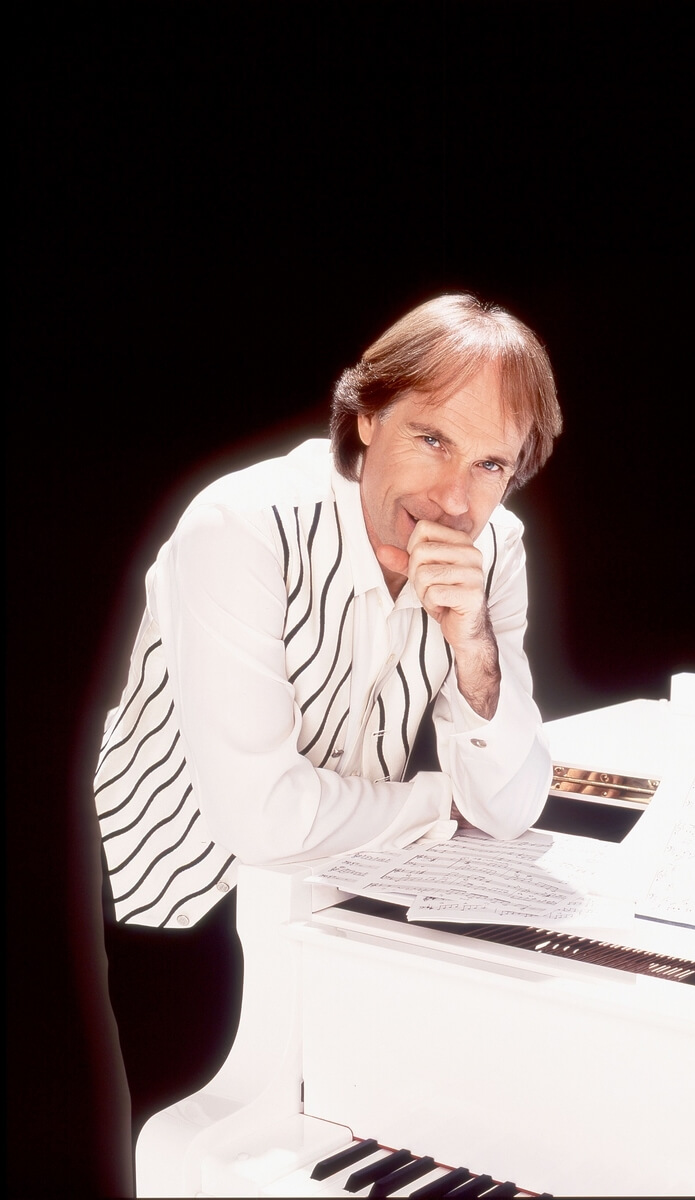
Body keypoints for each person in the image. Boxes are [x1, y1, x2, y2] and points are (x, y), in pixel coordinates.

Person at [94, 292, 562, 1153]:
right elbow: (260, 821)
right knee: (200, 1155)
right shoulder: (242, 527)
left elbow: (506, 806)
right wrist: (438, 805)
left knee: (339, 1145)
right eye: (432, 440)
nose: (454, 500)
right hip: (187, 885)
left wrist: (474, 646)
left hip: (341, 880)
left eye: (490, 463)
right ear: (368, 416)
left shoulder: (495, 548)